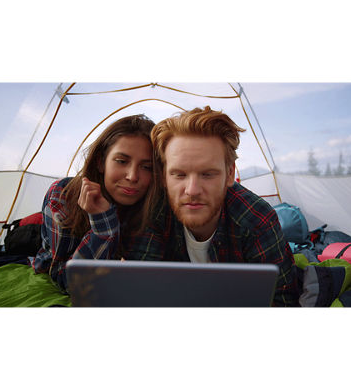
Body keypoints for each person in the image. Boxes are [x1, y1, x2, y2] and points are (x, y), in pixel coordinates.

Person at [124, 106, 299, 306]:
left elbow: (283, 302)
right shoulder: (153, 213)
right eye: (179, 174)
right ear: (164, 176)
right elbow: (141, 295)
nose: (192, 190)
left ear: (230, 174)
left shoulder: (256, 219)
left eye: (207, 174)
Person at [32, 114, 155, 290]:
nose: (133, 176)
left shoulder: (155, 205)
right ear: (100, 162)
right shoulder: (63, 195)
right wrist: (103, 226)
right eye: (121, 161)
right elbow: (66, 278)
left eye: (147, 167)